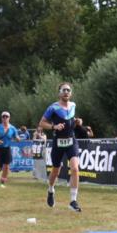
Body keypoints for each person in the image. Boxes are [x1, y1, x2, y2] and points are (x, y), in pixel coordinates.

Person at [38, 82, 82, 212]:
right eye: (64, 90)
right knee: (55, 171)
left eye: (68, 90)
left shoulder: (73, 105)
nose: (66, 92)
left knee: (75, 168)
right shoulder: (53, 107)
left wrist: (78, 122)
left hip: (71, 141)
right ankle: (51, 190)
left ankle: (73, 201)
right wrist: (54, 127)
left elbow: (72, 121)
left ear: (71, 93)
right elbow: (42, 123)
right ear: (59, 93)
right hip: (58, 142)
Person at [0, 111, 18, 187]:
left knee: (6, 166)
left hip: (7, 148)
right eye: (3, 116)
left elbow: (16, 137)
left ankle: (2, 182)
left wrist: (18, 139)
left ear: (9, 118)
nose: (5, 118)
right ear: (1, 118)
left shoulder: (13, 128)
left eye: (7, 116)